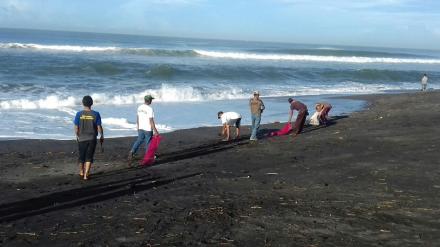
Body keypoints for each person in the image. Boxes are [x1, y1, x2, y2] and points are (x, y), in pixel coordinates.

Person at [73, 95, 104, 180]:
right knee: (89, 156)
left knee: (81, 156)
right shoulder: (96, 114)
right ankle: (86, 174)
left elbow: (76, 127)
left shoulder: (78, 114)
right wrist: (102, 135)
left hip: (82, 138)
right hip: (92, 138)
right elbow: (99, 127)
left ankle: (81, 171)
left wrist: (77, 135)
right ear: (92, 103)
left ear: (83, 103)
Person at [128, 95, 159, 164]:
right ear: (150, 100)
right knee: (148, 142)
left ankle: (132, 152)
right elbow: (151, 121)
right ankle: (148, 156)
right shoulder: (150, 109)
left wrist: (138, 126)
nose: (151, 101)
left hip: (141, 127)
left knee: (139, 140)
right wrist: (155, 131)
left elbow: (138, 118)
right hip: (147, 128)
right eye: (151, 100)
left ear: (145, 100)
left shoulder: (139, 107)